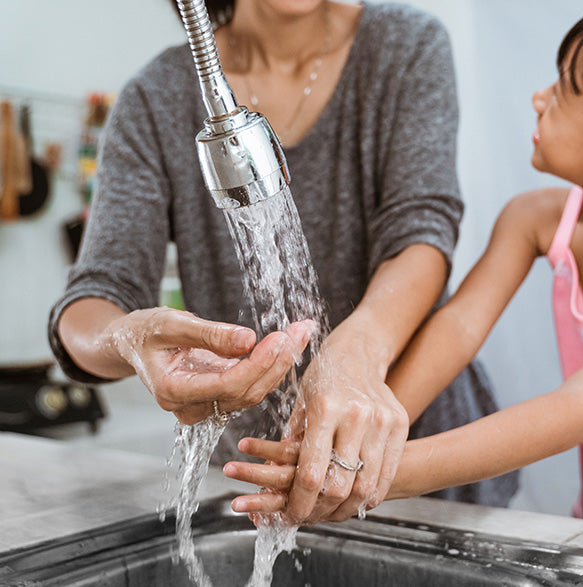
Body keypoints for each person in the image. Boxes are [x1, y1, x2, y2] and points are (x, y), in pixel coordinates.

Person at [48, 0, 517, 525]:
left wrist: (358, 352)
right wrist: (128, 341)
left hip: (424, 464)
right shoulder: (155, 99)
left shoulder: (404, 46)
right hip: (265, 482)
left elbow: (421, 232)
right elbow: (92, 301)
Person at [223, 0, 583, 525]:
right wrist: (356, 440)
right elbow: (459, 327)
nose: (539, 97)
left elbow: (575, 408)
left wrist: (375, 475)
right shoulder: (537, 218)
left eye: (565, 91)